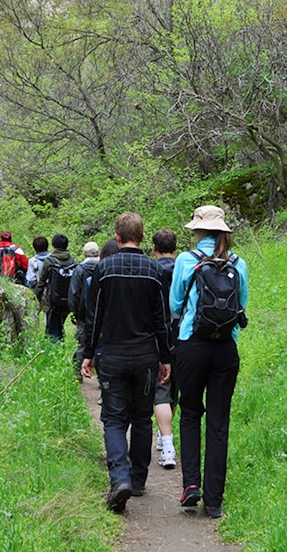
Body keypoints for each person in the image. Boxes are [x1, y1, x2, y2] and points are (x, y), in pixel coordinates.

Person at [81, 212, 171, 513]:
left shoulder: (104, 269)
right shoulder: (153, 270)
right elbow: (161, 320)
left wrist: (89, 353)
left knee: (114, 418)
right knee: (142, 418)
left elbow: (94, 318)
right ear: (143, 237)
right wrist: (165, 357)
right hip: (146, 355)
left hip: (113, 354)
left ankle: (119, 478)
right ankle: (138, 479)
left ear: (116, 237)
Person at [170, 205, 248, 519]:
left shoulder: (186, 261)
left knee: (190, 413)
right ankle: (214, 501)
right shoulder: (238, 263)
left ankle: (191, 486)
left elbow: (176, 303)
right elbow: (240, 306)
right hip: (225, 350)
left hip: (192, 346)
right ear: (223, 230)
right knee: (218, 422)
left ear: (197, 230)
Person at [151, 228, 179, 469]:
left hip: (157, 337)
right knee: (175, 389)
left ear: (153, 248)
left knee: (162, 389)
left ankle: (167, 445)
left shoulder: (151, 270)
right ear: (175, 247)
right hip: (183, 336)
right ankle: (164, 435)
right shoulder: (186, 268)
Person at [35, 233, 76, 342]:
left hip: (52, 300)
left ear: (53, 245)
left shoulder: (50, 261)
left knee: (51, 329)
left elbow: (42, 282)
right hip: (67, 299)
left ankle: (52, 350)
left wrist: (35, 298)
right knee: (60, 326)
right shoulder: (72, 261)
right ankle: (60, 345)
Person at [68, 241, 100, 377]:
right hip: (100, 312)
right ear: (98, 253)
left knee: (82, 343)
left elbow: (74, 292)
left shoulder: (80, 269)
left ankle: (77, 373)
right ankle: (102, 379)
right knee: (100, 344)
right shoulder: (102, 267)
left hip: (83, 313)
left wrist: (75, 313)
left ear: (84, 253)